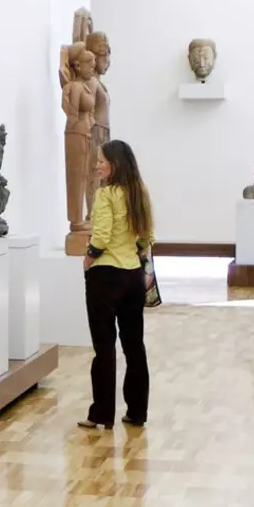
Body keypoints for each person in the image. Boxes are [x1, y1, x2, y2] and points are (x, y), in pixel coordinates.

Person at [80, 139, 153, 430]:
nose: (97, 165)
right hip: (132, 275)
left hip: (105, 277)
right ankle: (136, 411)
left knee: (104, 347)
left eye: (101, 161)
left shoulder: (105, 194)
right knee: (134, 346)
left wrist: (89, 257)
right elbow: (147, 237)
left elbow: (101, 235)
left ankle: (101, 414)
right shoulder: (139, 192)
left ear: (115, 164)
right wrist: (139, 258)